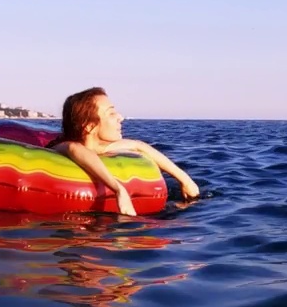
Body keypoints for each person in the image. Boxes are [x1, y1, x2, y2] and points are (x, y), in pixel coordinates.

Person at [48, 87, 200, 216]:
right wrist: (119, 189)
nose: (120, 117)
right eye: (111, 113)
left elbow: (137, 145)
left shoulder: (103, 147)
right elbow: (75, 150)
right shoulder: (62, 146)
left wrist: (185, 180)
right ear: (89, 126)